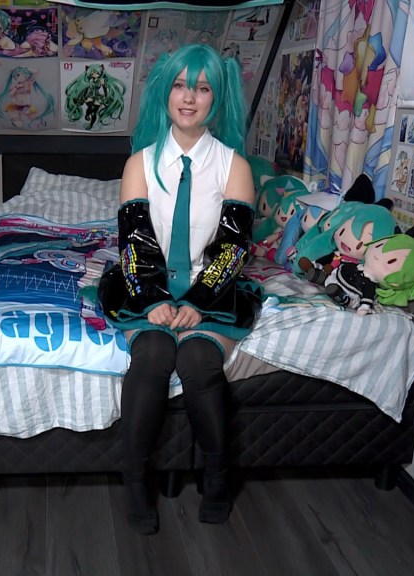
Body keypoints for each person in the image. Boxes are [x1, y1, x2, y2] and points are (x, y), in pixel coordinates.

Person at [97, 43, 260, 535]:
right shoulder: (139, 163)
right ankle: (134, 486)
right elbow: (134, 242)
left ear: (216, 98)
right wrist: (152, 301)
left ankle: (218, 481)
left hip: (213, 289)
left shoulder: (234, 166)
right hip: (145, 286)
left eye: (202, 88)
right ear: (165, 94)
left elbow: (233, 247)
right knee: (150, 357)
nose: (189, 98)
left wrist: (198, 303)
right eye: (180, 86)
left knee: (198, 361)